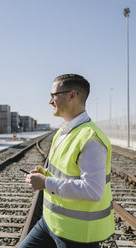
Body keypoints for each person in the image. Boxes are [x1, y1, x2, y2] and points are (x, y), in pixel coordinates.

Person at [19, 74, 114, 248]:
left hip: (76, 234)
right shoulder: (64, 130)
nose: (50, 101)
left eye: (54, 95)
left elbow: (93, 190)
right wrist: (44, 174)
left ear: (72, 95)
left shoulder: (90, 138)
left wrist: (46, 183)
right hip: (50, 222)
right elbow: (65, 172)